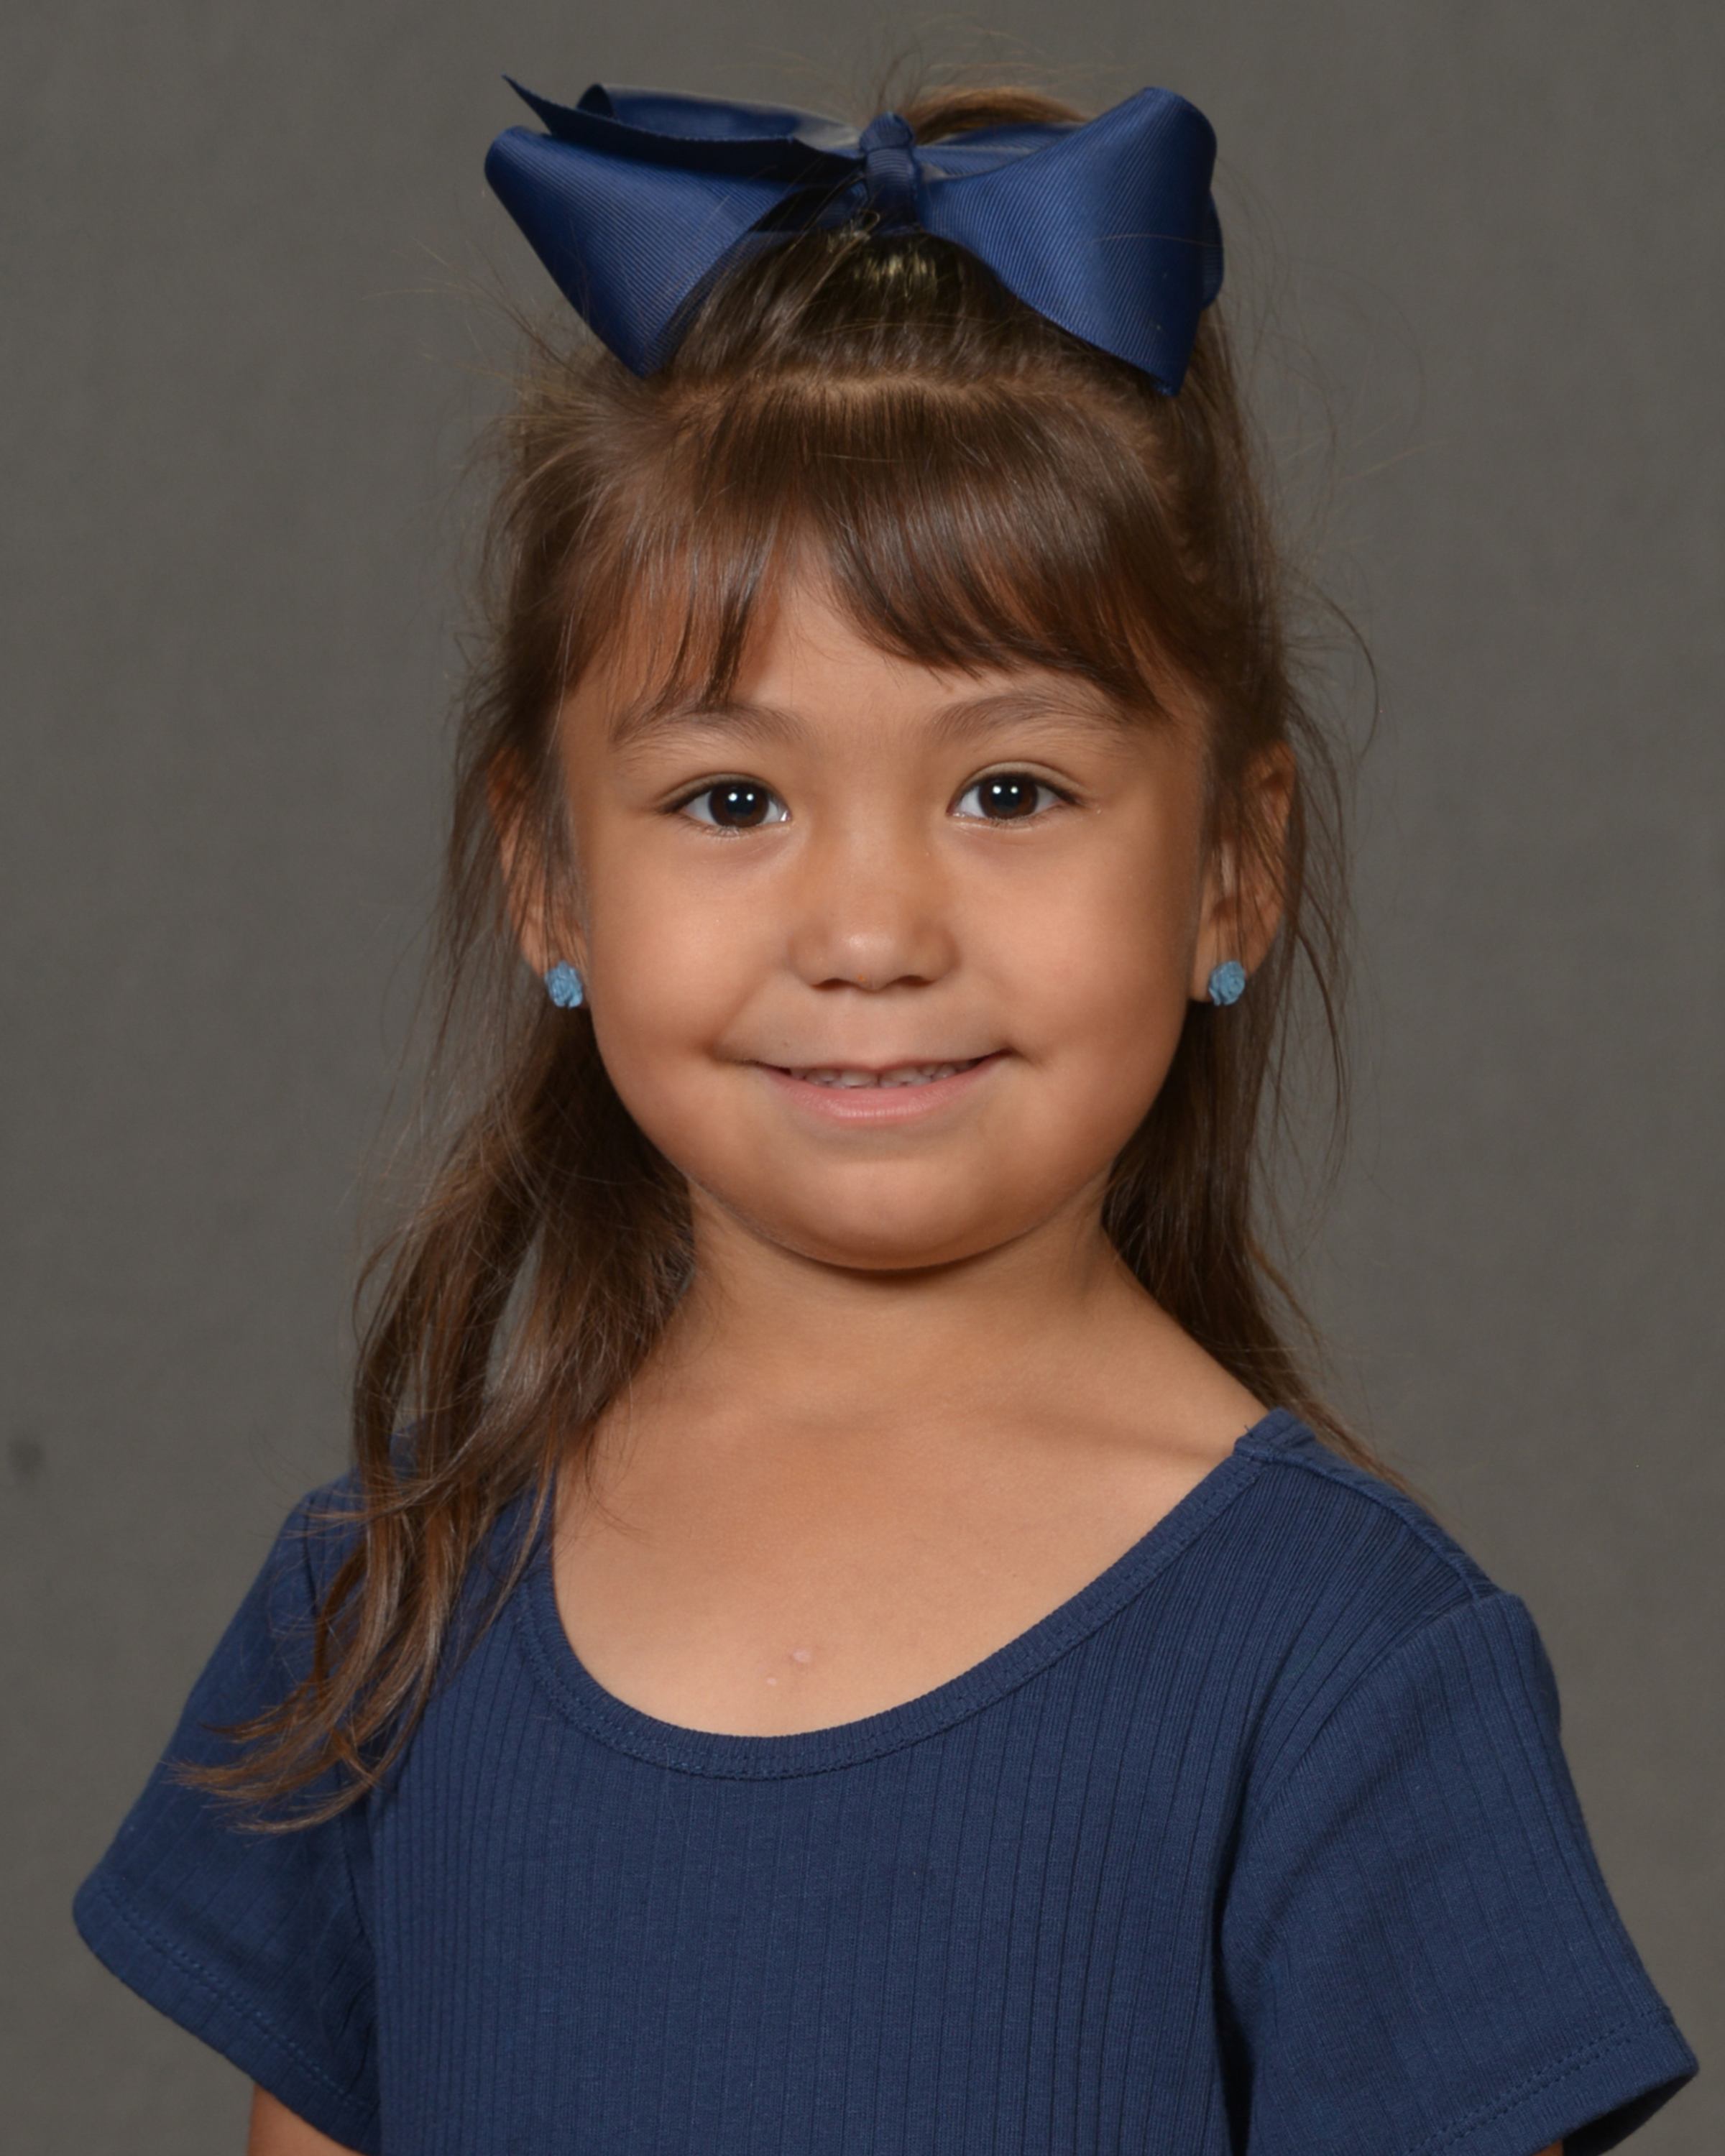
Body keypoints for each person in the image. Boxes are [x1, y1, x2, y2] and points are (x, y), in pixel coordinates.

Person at [75, 77, 1694, 2156]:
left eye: (1008, 791)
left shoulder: (1353, 1674)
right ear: (549, 876)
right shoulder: (385, 1604)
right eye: (731, 798)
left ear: (1234, 866)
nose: (868, 931)